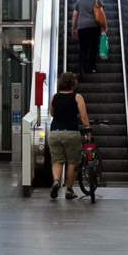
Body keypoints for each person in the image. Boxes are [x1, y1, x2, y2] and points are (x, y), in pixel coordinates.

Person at [47, 71, 89, 199]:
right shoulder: (77, 97)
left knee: (57, 161)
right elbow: (83, 116)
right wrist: (88, 130)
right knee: (72, 162)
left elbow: (52, 114)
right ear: (73, 84)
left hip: (54, 133)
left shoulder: (54, 97)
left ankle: (56, 181)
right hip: (71, 133)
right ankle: (69, 190)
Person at [71, 0, 105, 74]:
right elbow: (102, 13)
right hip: (95, 27)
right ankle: (91, 68)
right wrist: (105, 26)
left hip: (82, 27)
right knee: (93, 47)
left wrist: (73, 28)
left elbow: (75, 14)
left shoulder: (79, 0)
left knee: (83, 48)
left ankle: (82, 67)